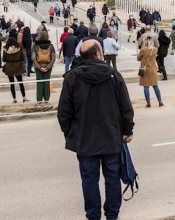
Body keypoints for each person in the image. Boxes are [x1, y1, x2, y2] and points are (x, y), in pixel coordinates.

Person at [57, 40, 134, 220]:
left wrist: (71, 134)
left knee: (89, 181)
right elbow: (126, 107)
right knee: (112, 178)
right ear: (98, 54)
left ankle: (93, 216)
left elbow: (64, 113)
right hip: (111, 137)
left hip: (84, 139)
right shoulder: (113, 75)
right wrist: (127, 130)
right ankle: (112, 215)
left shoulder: (72, 78)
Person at [137, 34, 163, 107]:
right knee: (155, 85)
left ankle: (148, 102)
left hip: (145, 70)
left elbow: (138, 58)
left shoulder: (143, 50)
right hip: (153, 69)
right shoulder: (155, 49)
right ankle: (160, 101)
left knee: (146, 86)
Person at [2, 36, 29, 104]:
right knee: (20, 83)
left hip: (9, 66)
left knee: (12, 84)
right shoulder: (19, 48)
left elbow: (4, 59)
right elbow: (22, 57)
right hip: (17, 65)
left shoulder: (5, 49)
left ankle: (14, 99)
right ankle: (24, 97)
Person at [33, 30, 56, 104]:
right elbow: (53, 57)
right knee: (46, 82)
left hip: (38, 66)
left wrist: (39, 67)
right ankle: (46, 99)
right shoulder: (50, 46)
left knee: (39, 82)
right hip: (48, 66)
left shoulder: (35, 45)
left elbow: (33, 58)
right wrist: (48, 67)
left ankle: (39, 99)